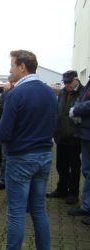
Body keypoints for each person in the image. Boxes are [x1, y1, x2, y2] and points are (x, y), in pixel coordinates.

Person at [0, 50, 57, 250]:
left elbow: (4, 134)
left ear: (22, 67)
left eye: (12, 65)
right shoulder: (50, 92)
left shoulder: (15, 93)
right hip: (45, 157)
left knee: (16, 212)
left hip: (21, 158)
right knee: (39, 210)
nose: (10, 69)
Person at [47, 70, 82, 204]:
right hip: (61, 136)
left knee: (74, 166)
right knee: (61, 165)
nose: (67, 84)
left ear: (76, 80)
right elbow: (58, 112)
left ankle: (73, 193)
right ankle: (61, 189)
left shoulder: (83, 92)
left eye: (69, 82)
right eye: (65, 82)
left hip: (75, 137)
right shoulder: (62, 93)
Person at [68, 75, 90, 225]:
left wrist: (76, 110)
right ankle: (87, 206)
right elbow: (82, 99)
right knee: (87, 171)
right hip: (85, 133)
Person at [0, 77, 16, 191]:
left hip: (21, 134)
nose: (13, 84)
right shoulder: (6, 94)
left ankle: (14, 182)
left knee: (18, 160)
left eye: (15, 81)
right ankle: (3, 181)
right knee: (5, 158)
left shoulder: (27, 93)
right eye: (12, 82)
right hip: (6, 132)